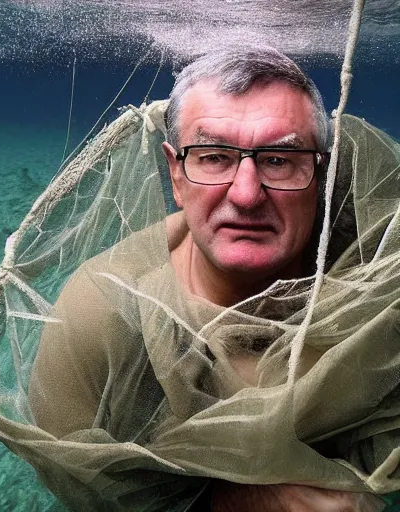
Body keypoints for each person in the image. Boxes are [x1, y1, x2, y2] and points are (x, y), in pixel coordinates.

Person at [27, 48, 389, 510]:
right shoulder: (100, 311)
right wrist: (228, 499)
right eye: (214, 157)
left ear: (320, 172)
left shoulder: (378, 282)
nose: (246, 194)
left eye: (280, 159)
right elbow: (78, 481)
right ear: (176, 173)